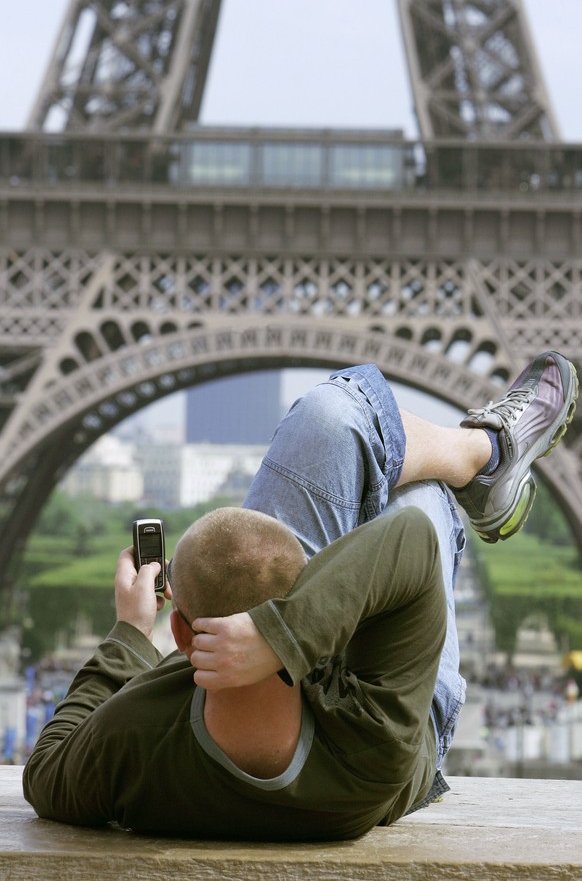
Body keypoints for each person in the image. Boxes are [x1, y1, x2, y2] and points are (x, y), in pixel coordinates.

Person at [23, 351, 578, 840]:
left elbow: (45, 769)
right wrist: (281, 635)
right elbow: (409, 544)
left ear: (180, 633)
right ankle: (485, 452)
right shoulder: (375, 746)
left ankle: (484, 458)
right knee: (412, 487)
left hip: (281, 687)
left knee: (342, 431)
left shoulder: (133, 743)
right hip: (400, 721)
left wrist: (129, 630)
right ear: (313, 585)